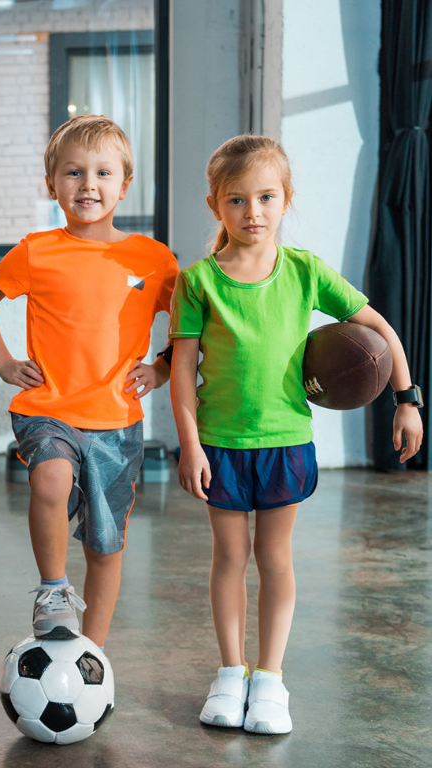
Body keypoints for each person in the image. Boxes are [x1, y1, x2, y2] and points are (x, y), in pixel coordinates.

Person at [169, 134, 424, 734]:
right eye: (236, 200)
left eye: (265, 197)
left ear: (286, 200)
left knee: (274, 559)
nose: (251, 213)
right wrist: (190, 442)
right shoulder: (198, 281)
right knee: (229, 558)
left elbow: (379, 328)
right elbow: (181, 371)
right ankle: (231, 675)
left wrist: (407, 399)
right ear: (216, 206)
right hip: (221, 445)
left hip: (286, 443)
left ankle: (271, 681)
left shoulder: (306, 272)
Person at [0, 115, 178, 653]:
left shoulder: (153, 260)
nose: (88, 184)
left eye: (103, 172)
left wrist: (161, 366)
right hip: (48, 409)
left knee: (106, 548)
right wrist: (3, 363)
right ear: (52, 183)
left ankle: (94, 653)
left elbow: (193, 325)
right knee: (51, 481)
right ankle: (53, 590)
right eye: (74, 172)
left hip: (116, 420)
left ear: (125, 185)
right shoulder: (37, 251)